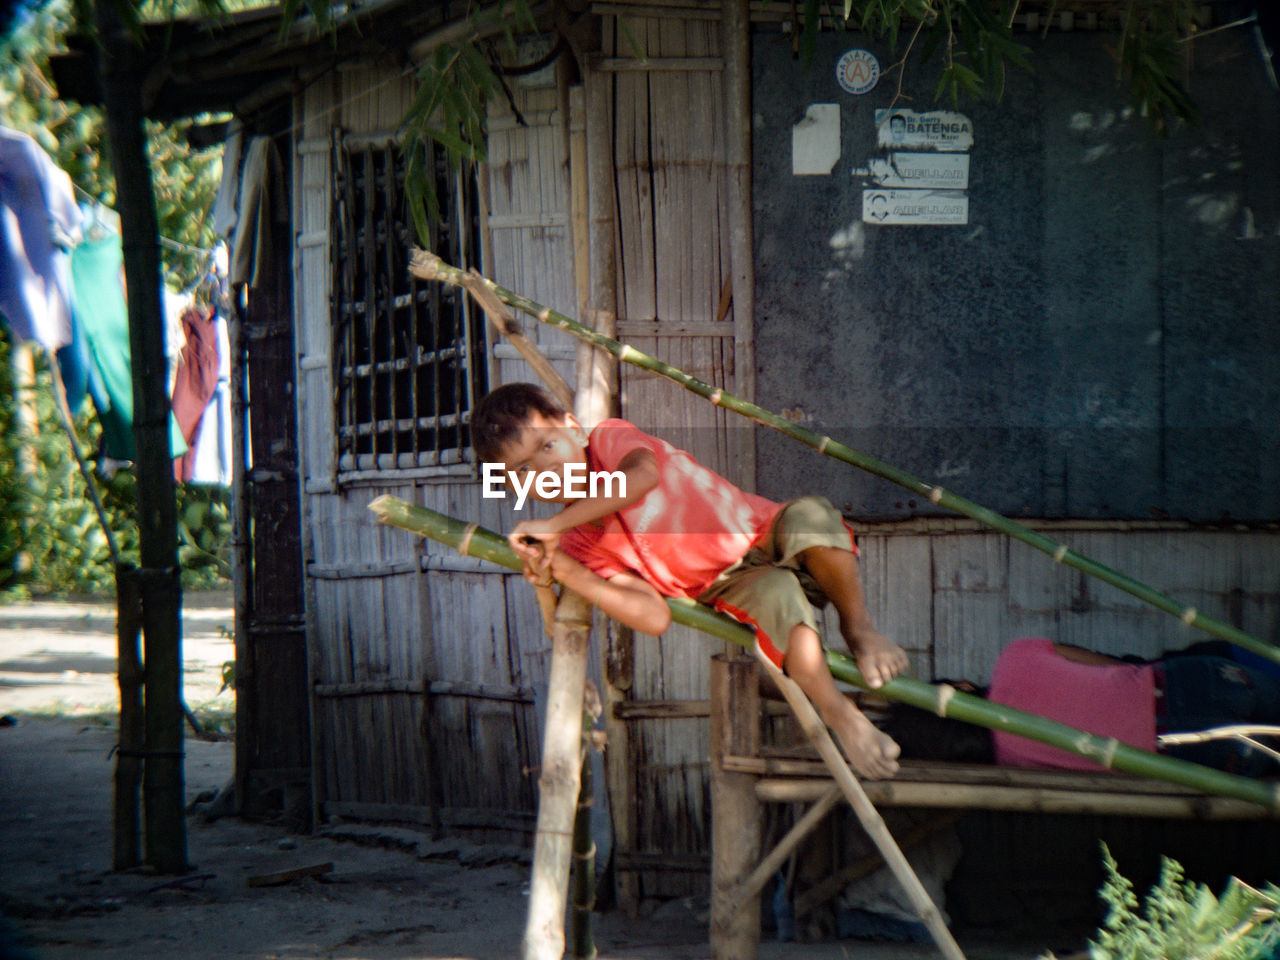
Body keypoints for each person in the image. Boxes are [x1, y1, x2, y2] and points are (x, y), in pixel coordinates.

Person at [471, 382, 908, 780]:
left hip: (761, 529)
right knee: (777, 595)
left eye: (548, 446)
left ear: (573, 427)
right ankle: (844, 717)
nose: (544, 472)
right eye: (523, 472)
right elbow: (653, 616)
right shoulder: (577, 546)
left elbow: (642, 477)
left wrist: (555, 524)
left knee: (812, 516)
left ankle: (859, 627)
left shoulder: (608, 438)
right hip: (727, 584)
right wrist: (565, 571)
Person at [988, 637, 1280, 777]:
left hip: (1175, 750)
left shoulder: (1012, 761)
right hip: (1187, 683)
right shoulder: (1014, 656)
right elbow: (1113, 666)